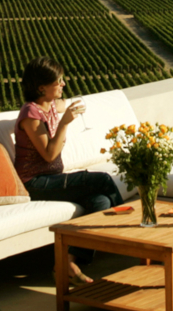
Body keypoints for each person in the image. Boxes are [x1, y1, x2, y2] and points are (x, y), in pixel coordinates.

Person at [14, 56, 124, 286]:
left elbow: (66, 103)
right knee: (103, 180)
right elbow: (49, 155)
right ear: (41, 87)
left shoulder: (52, 105)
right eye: (58, 81)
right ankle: (132, 231)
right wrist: (64, 123)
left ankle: (66, 263)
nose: (63, 84)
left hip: (53, 178)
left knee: (100, 201)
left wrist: (72, 107)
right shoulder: (31, 114)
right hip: (35, 182)